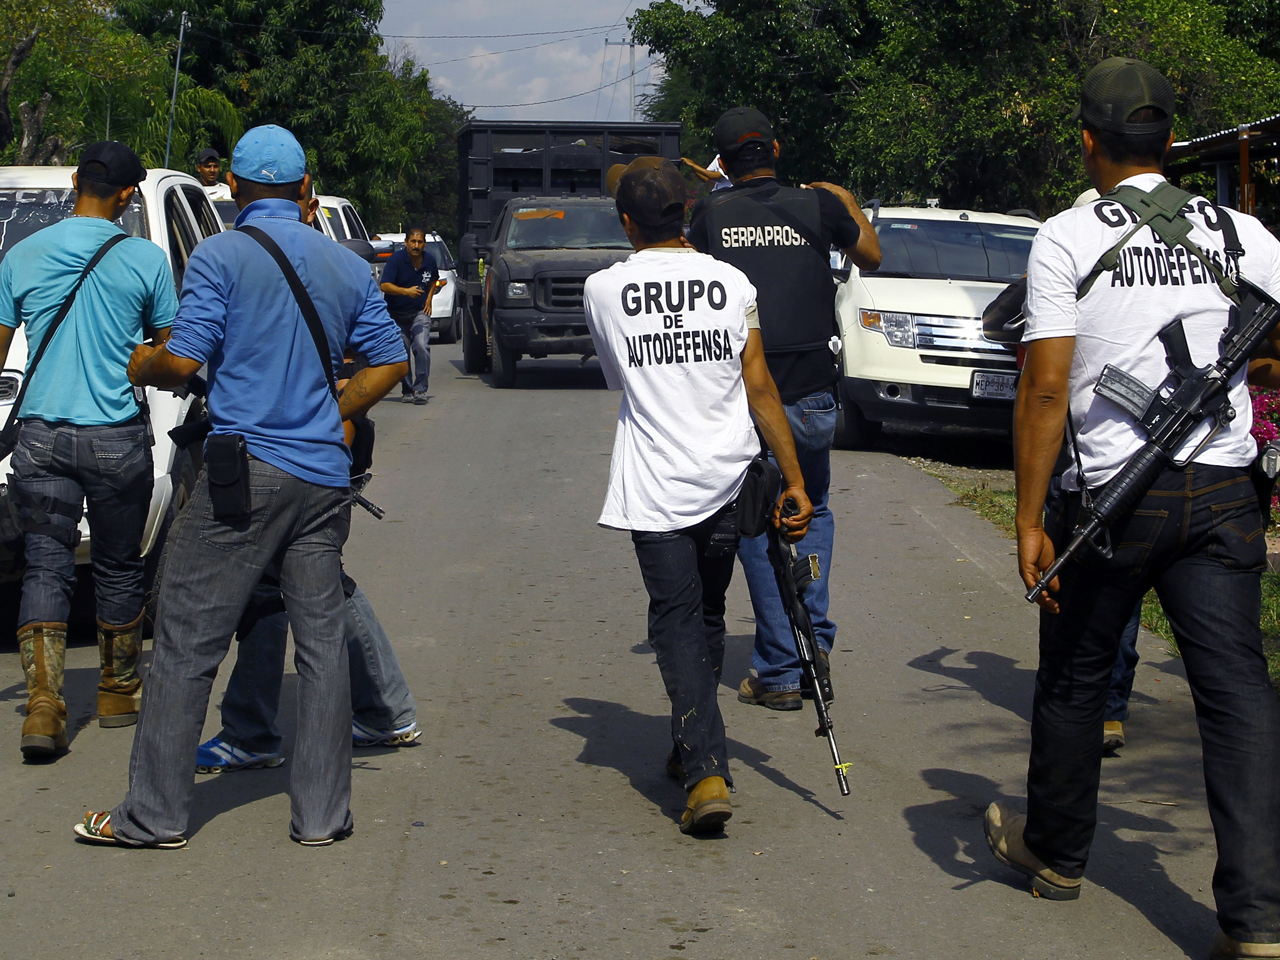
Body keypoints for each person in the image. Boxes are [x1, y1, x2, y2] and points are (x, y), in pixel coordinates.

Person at [986, 58, 1280, 957]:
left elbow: (1044, 389)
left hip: (1112, 500)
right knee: (1236, 697)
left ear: (1088, 141)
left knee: (1076, 679)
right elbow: (1273, 366)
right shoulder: (1247, 235)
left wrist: (1030, 520)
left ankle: (1058, 853)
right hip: (1226, 489)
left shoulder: (1068, 237)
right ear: (1166, 138)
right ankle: (1261, 918)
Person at [73, 124, 408, 849]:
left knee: (189, 638)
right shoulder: (348, 264)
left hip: (243, 473)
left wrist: (142, 363)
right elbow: (391, 362)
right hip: (323, 477)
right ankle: (321, 816)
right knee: (319, 644)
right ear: (304, 190)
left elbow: (185, 361)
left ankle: (154, 814)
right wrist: (334, 411)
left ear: (235, 191)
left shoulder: (220, 254)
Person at [584, 157, 814, 834]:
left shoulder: (604, 289)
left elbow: (618, 379)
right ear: (686, 214)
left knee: (676, 620)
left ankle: (708, 769)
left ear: (626, 224)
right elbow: (761, 388)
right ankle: (692, 749)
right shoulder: (731, 282)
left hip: (657, 487)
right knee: (707, 613)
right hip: (730, 481)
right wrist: (796, 479)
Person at [686, 107, 880, 711]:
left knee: (756, 524)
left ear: (722, 161)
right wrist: (843, 195)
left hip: (745, 397)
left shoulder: (709, 213)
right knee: (811, 509)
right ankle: (811, 641)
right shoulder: (817, 205)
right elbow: (870, 252)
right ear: (777, 147)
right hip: (813, 394)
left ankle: (778, 669)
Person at [0, 141, 178, 758]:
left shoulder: (22, 255)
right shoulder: (146, 261)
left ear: (74, 181)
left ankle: (44, 707)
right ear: (130, 196)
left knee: (45, 564)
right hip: (116, 441)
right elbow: (169, 355)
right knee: (119, 564)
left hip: (41, 440)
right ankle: (115, 690)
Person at [379, 227, 441, 404]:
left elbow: (433, 281)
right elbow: (384, 285)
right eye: (413, 242)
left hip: (419, 313)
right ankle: (407, 389)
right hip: (397, 314)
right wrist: (405, 291)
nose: (416, 245)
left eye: (420, 242)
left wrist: (428, 300)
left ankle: (420, 389)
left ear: (424, 244)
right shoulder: (396, 261)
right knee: (403, 350)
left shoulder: (429, 260)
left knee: (421, 346)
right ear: (406, 243)